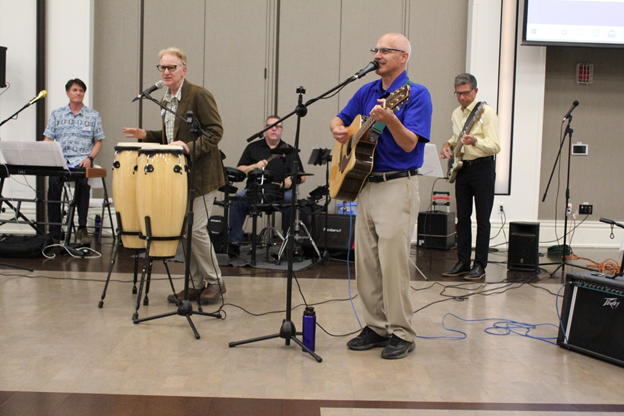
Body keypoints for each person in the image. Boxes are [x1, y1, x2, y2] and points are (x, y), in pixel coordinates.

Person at [330, 33, 432, 360]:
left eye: (386, 50)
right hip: (365, 185)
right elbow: (340, 119)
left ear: (403, 57)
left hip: (396, 186)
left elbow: (409, 144)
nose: (378, 54)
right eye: (376, 49)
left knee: (393, 264)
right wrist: (338, 130)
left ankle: (402, 332)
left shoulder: (416, 94)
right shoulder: (366, 91)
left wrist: (391, 121)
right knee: (367, 264)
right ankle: (376, 327)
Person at [122, 47, 226, 305]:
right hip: (180, 177)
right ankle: (194, 284)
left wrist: (189, 148)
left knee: (196, 228)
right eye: (162, 67)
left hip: (203, 175)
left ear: (183, 70)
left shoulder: (199, 95)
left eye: (172, 67)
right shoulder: (166, 99)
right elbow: (171, 137)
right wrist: (146, 135)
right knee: (185, 231)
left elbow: (215, 132)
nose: (166, 72)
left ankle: (215, 281)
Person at [440, 73, 500, 280]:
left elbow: (495, 146)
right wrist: (448, 144)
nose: (462, 98)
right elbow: (456, 137)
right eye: (458, 94)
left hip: (483, 168)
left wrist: (475, 141)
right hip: (463, 168)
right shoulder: (456, 114)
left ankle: (480, 265)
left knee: (482, 219)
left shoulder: (486, 112)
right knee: (463, 218)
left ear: (475, 91)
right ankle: (463, 261)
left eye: (465, 93)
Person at [227, 115, 306, 257]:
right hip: (255, 191)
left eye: (278, 127)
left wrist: (291, 179)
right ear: (264, 129)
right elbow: (239, 170)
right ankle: (234, 243)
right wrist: (254, 166)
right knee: (237, 199)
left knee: (291, 200)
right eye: (271, 126)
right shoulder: (253, 147)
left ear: (282, 131)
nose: (274, 129)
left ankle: (289, 244)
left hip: (281, 192)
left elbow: (303, 176)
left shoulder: (290, 150)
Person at [44, 78, 104, 246]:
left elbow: (98, 141)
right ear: (67, 93)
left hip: (82, 160)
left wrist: (89, 158)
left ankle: (81, 228)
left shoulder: (93, 116)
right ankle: (54, 231)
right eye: (75, 90)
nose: (78, 93)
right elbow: (48, 138)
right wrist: (45, 156)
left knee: (82, 183)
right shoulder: (57, 114)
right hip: (61, 160)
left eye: (81, 90)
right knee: (53, 184)